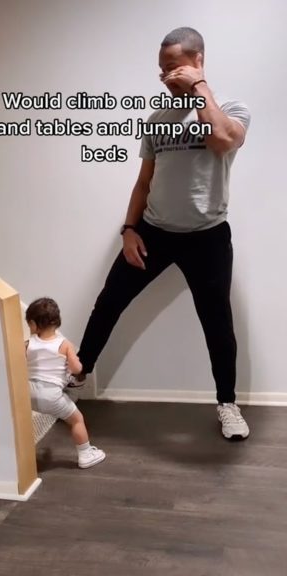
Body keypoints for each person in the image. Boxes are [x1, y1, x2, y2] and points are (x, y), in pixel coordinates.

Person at [71, 27, 251, 440]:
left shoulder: (231, 109)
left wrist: (199, 88)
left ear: (198, 60)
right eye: (161, 71)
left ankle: (227, 404)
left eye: (173, 68)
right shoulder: (157, 120)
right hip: (154, 232)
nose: (166, 77)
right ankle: (78, 376)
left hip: (208, 237)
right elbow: (143, 182)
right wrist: (129, 229)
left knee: (217, 323)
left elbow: (223, 142)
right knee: (109, 301)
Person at [25, 298, 105, 468]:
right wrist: (73, 364)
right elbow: (76, 369)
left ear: (32, 323)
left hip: (28, 392)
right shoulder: (64, 345)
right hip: (51, 395)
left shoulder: (27, 344)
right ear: (57, 322)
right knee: (77, 420)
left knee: (20, 419)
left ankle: (20, 454)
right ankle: (85, 454)